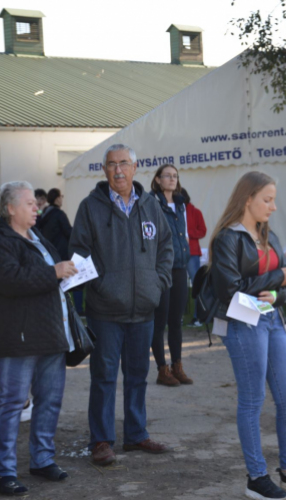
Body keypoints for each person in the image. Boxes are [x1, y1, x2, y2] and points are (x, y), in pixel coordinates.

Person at [209, 172, 286, 499]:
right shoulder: (227, 238)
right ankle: (256, 478)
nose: (273, 207)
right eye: (267, 199)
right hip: (241, 322)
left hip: (273, 319)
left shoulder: (268, 236)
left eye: (274, 199)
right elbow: (228, 290)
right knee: (252, 400)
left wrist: (279, 293)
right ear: (247, 199)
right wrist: (276, 278)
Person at [69, 143, 173, 467]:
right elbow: (78, 253)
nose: (118, 170)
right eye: (112, 164)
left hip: (144, 308)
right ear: (104, 170)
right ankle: (101, 440)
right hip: (105, 311)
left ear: (135, 167)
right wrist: (100, 286)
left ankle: (136, 434)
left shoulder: (151, 205)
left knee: (138, 375)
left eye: (124, 163)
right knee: (103, 376)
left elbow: (166, 245)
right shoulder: (90, 207)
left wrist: (158, 282)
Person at [0, 181, 78, 496]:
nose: (37, 207)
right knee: (11, 403)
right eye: (29, 203)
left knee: (50, 400)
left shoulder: (38, 238)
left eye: (36, 203)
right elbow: (9, 281)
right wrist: (54, 272)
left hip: (49, 332)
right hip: (17, 337)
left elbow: (49, 279)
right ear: (10, 208)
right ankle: (4, 472)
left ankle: (42, 459)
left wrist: (68, 273)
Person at [150, 164, 192, 386]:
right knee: (160, 321)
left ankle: (178, 366)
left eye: (175, 176)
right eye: (167, 176)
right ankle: (162, 369)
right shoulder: (150, 203)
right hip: (161, 269)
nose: (172, 179)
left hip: (180, 268)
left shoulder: (181, 205)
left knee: (176, 320)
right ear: (157, 179)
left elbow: (182, 233)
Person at [182, 188, 207, 327]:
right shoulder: (171, 211)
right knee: (174, 285)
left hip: (192, 252)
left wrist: (188, 234)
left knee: (197, 285)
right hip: (177, 253)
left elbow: (203, 231)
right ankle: (176, 317)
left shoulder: (195, 212)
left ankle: (199, 317)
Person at [36, 188, 72, 261]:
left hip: (47, 251)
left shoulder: (45, 212)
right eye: (61, 196)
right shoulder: (59, 214)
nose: (40, 201)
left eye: (42, 199)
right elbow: (69, 232)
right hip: (60, 252)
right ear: (58, 198)